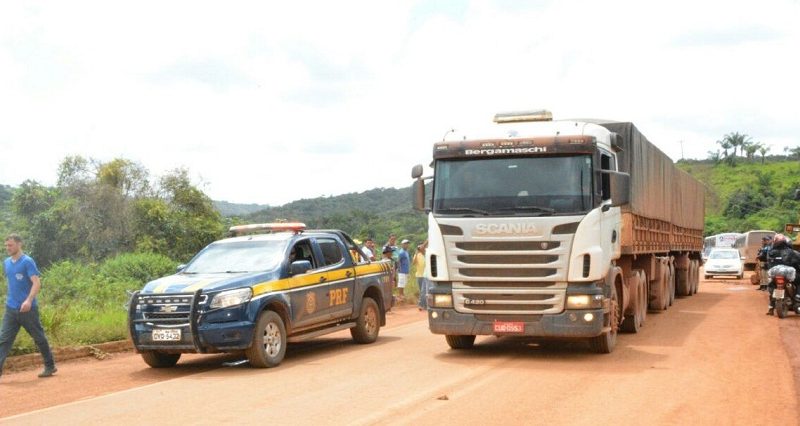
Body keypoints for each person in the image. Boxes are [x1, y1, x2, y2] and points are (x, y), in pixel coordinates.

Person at [0, 234, 57, 379]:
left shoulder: (27, 262)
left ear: (19, 244)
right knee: (3, 340)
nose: (8, 248)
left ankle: (50, 366)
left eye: (10, 245)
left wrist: (28, 300)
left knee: (39, 337)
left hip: (28, 309)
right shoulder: (6, 262)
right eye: (6, 245)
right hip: (11, 309)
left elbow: (36, 283)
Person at [765, 234, 800, 315]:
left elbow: (768, 263)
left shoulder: (771, 252)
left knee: (772, 287)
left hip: (774, 275)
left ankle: (771, 308)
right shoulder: (792, 252)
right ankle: (798, 295)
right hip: (788, 274)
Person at [413, 242, 429, 311]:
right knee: (422, 291)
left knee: (424, 291)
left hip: (425, 275)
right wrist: (416, 253)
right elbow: (413, 262)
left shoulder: (425, 255)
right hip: (419, 275)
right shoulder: (417, 255)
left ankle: (424, 305)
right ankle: (422, 305)